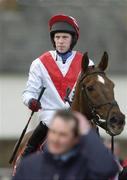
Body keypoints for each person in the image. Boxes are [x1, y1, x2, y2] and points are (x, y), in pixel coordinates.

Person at [22, 14, 94, 157]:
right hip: (50, 116)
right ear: (53, 39)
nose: (60, 41)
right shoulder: (39, 63)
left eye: (64, 37)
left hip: (77, 117)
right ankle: (23, 162)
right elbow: (28, 92)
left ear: (72, 39)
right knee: (29, 150)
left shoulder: (87, 64)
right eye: (57, 37)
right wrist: (31, 101)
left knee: (98, 146)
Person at [12, 110, 118, 180]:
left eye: (63, 134)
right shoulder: (29, 164)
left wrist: (86, 130)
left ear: (75, 139)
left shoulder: (85, 167)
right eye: (53, 132)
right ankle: (26, 151)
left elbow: (109, 167)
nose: (56, 139)